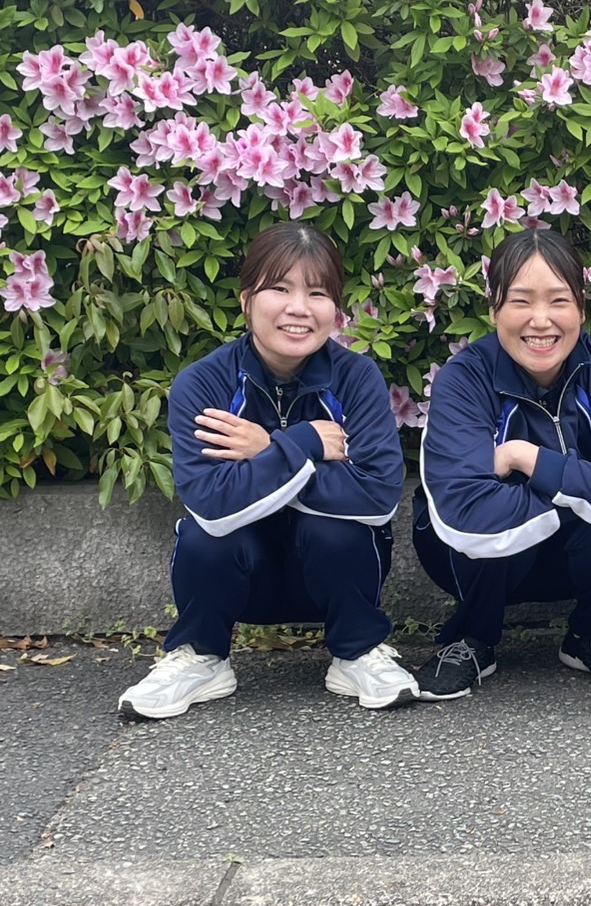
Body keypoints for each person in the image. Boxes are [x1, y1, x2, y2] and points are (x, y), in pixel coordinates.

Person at [118, 223, 417, 719]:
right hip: (243, 576)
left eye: (317, 293)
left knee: (339, 530)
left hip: (331, 577)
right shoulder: (204, 383)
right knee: (204, 536)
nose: (299, 308)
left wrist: (262, 452)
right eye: (279, 288)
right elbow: (212, 504)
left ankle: (357, 651)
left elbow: (378, 495)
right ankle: (202, 656)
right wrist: (302, 443)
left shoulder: (356, 377)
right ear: (246, 301)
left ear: (335, 309)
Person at [413, 229, 591, 698]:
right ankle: (472, 638)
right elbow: (466, 510)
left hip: (583, 555)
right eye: (521, 301)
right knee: (470, 517)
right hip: (486, 557)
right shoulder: (464, 379)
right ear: (494, 309)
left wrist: (524, 457)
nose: (541, 320)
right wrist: (578, 492)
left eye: (559, 300)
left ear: (582, 308)